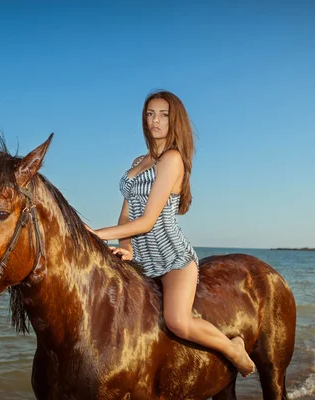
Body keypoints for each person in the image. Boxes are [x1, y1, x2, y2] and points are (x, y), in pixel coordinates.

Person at [88, 90, 255, 377]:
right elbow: (127, 215)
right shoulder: (138, 161)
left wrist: (94, 234)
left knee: (178, 322)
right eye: (150, 114)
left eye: (163, 115)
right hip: (140, 259)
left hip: (172, 258)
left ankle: (234, 350)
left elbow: (148, 221)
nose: (155, 120)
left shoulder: (172, 159)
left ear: (174, 120)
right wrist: (125, 248)